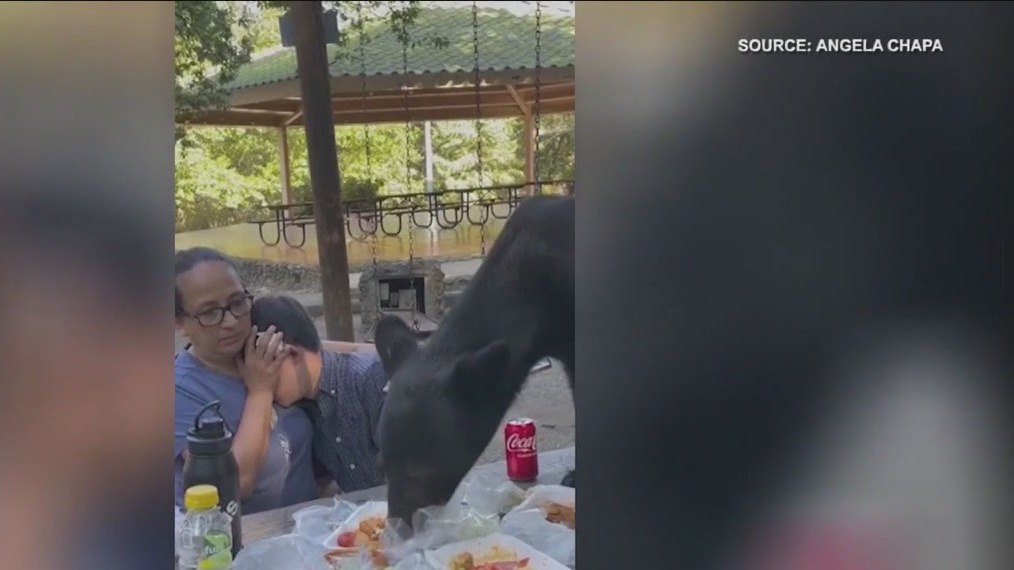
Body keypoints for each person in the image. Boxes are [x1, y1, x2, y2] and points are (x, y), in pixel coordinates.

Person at [174, 247, 318, 514]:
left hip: (312, 534)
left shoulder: (258, 349)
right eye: (209, 313)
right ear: (179, 323)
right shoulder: (179, 391)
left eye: (237, 302)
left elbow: (320, 350)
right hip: (239, 546)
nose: (230, 321)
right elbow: (236, 483)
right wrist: (261, 391)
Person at [250, 294, 391, 494]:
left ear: (291, 354)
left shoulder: (371, 380)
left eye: (265, 370)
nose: (260, 381)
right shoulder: (304, 409)